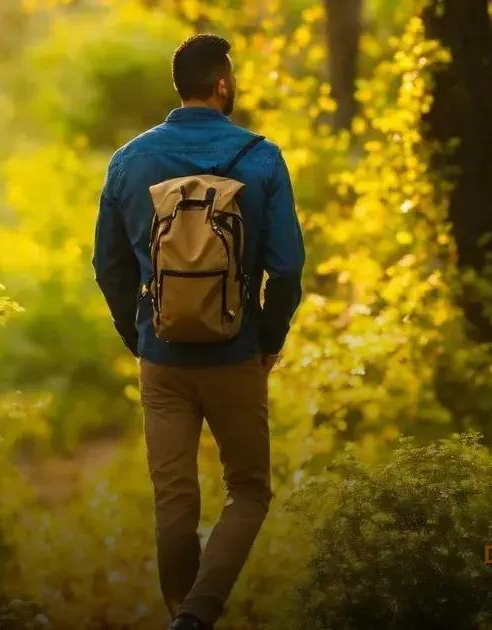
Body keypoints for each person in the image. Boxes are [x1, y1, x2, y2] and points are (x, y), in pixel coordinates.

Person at [92, 33, 305, 630]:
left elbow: (107, 265)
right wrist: (267, 341)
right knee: (249, 491)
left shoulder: (129, 160)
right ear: (222, 84)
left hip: (162, 358)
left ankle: (178, 613)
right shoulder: (261, 157)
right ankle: (198, 615)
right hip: (237, 356)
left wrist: (138, 335)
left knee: (175, 502)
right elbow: (286, 268)